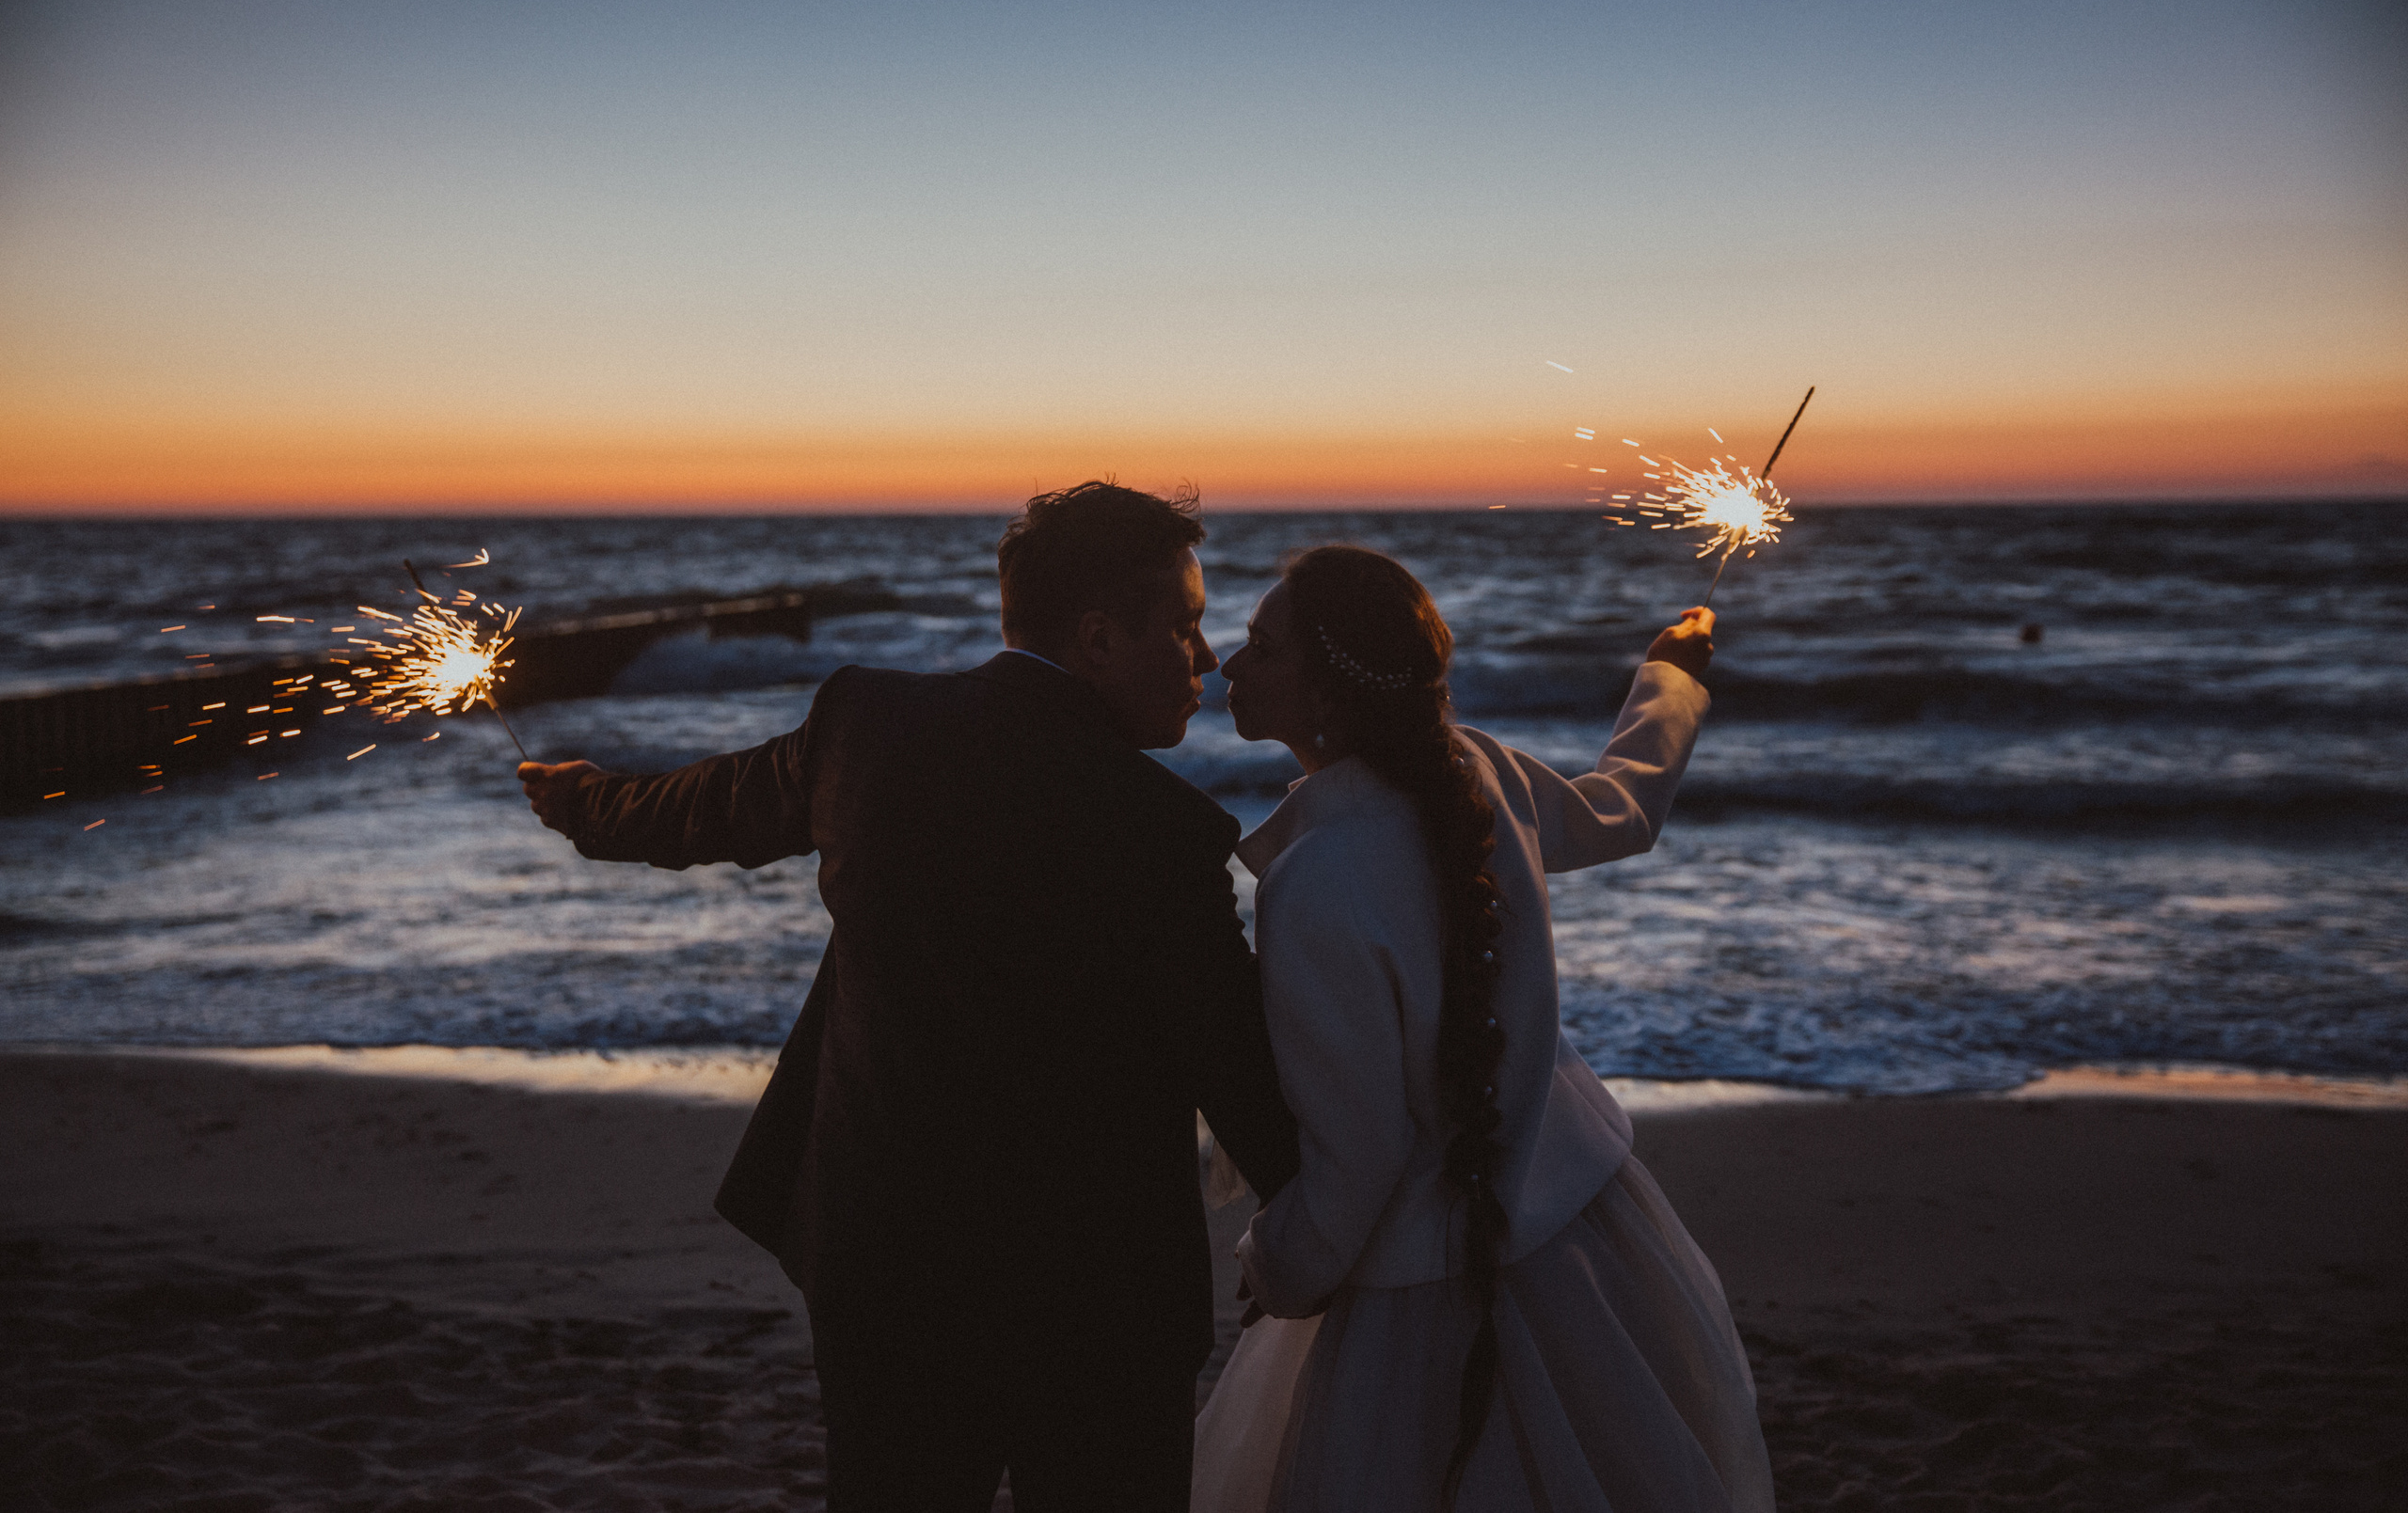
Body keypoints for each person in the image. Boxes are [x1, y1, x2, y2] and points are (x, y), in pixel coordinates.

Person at [517, 481, 1300, 1512]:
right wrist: (1340, 1225)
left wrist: (581, 799)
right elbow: (1239, 1073)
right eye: (1185, 627)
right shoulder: (1166, 832)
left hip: (881, 1276)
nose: (1201, 660)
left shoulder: (868, 725)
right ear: (1100, 637)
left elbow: (701, 809)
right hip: (1093, 1306)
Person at [1192, 545, 1774, 1513]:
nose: (1226, 665)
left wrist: (1278, 1267)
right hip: (1577, 1227)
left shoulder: (1316, 880)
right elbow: (1620, 811)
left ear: (1331, 688)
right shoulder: (1476, 767)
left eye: (1263, 647)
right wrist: (1669, 678)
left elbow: (1359, 1153)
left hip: (1416, 1278)